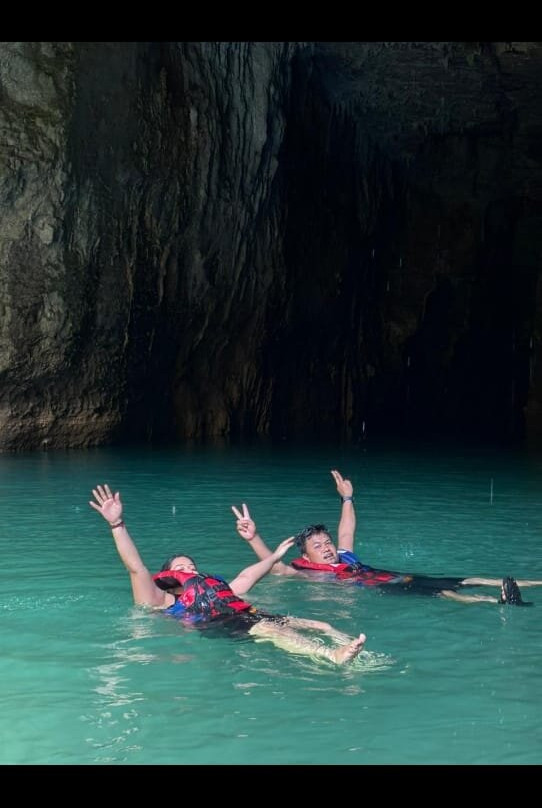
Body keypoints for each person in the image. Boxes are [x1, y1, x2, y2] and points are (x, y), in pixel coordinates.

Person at [89, 483, 366, 665]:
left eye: (192, 566)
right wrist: (117, 524)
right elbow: (136, 567)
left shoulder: (214, 591)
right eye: (181, 568)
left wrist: (273, 555)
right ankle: (332, 655)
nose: (190, 570)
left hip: (246, 614)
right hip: (220, 625)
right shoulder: (160, 600)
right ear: (169, 577)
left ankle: (358, 653)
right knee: (271, 630)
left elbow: (245, 578)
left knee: (320, 625)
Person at [232, 470, 542, 605]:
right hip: (384, 590)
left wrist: (348, 498)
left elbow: (346, 530)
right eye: (318, 546)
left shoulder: (347, 557)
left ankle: (536, 583)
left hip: (395, 577)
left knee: (463, 579)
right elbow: (274, 567)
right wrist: (254, 537)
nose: (327, 548)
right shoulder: (303, 573)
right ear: (307, 555)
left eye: (327, 543)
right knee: (446, 595)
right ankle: (500, 604)